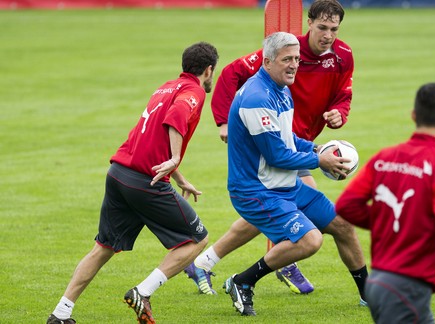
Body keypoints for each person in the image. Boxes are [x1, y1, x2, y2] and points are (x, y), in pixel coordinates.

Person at [185, 0, 365, 298]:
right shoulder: (284, 52)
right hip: (276, 142)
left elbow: (343, 94)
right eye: (322, 27)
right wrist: (223, 121)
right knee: (298, 223)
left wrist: (339, 114)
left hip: (304, 143)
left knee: (268, 212)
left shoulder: (343, 56)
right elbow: (231, 73)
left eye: (334, 29)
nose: (328, 35)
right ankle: (281, 263)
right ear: (309, 23)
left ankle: (205, 261)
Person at [46, 42, 219, 324]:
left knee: (102, 248)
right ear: (208, 69)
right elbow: (176, 119)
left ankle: (61, 312)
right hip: (143, 183)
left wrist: (178, 176)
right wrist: (175, 158)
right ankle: (143, 292)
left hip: (118, 174)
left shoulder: (166, 87)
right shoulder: (194, 91)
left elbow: (151, 139)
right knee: (197, 240)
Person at [217, 31, 365, 316]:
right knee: (310, 240)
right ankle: (242, 282)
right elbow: (277, 155)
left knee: (343, 225)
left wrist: (316, 146)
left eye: (297, 58)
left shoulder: (281, 89)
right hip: (256, 191)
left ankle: (369, 295)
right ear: (268, 61)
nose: (294, 64)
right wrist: (318, 160)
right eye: (287, 59)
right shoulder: (256, 98)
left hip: (283, 186)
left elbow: (288, 139)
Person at [335, 82, 435, 323]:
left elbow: (346, 205)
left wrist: (393, 218)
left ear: (414, 115)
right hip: (406, 289)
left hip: (379, 283)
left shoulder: (385, 158)